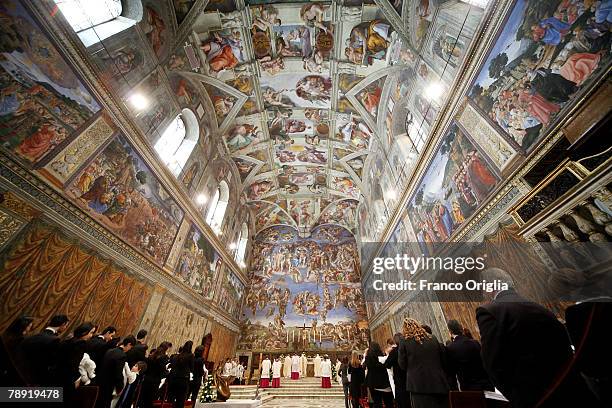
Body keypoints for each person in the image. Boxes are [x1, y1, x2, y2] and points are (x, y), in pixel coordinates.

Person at [476, 268, 595, 408]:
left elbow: (492, 364)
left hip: (536, 397)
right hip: (573, 391)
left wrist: (518, 399)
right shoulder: (539, 307)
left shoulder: (490, 311)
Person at [398, 318, 449, 408]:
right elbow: (442, 359)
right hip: (438, 382)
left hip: (418, 385)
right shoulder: (432, 338)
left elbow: (402, 364)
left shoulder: (404, 340)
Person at [20, 314, 69, 386]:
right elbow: (52, 362)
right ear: (63, 324)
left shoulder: (32, 336)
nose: (65, 328)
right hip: (40, 379)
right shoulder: (54, 340)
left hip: (24, 373)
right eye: (66, 325)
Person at [445, 320, 493, 391]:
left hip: (469, 390)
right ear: (460, 329)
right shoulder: (475, 343)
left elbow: (452, 374)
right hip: (486, 385)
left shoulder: (450, 348)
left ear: (450, 332)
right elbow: (485, 363)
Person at [57, 322, 96, 405]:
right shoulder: (81, 344)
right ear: (84, 332)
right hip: (68, 379)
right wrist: (77, 378)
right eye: (91, 332)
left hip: (58, 376)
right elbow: (73, 364)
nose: (91, 336)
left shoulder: (69, 340)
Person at [97, 335, 136, 408]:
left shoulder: (110, 350)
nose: (130, 349)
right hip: (108, 385)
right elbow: (118, 373)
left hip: (100, 381)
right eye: (131, 347)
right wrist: (120, 387)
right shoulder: (122, 355)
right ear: (129, 344)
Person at [0, 316, 33, 386]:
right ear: (24, 327)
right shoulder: (19, 340)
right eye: (29, 326)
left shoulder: (6, 335)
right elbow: (18, 360)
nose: (29, 329)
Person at [138, 342, 170, 408]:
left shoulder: (151, 356)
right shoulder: (163, 358)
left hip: (146, 379)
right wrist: (167, 372)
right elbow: (162, 370)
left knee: (142, 399)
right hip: (154, 381)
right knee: (149, 401)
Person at [364, 342, 393, 408]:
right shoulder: (382, 355)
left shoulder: (368, 357)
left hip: (374, 384)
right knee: (388, 403)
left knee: (377, 403)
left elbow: (367, 367)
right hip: (384, 383)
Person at [384, 334, 410, 408]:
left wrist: (387, 354)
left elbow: (387, 364)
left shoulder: (394, 351)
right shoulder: (408, 348)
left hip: (399, 380)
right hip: (410, 378)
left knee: (402, 401)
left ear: (395, 341)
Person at [167, 341, 194, 408]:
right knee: (180, 400)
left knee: (172, 399)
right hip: (183, 380)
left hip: (174, 379)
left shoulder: (177, 356)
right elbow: (192, 368)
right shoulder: (190, 356)